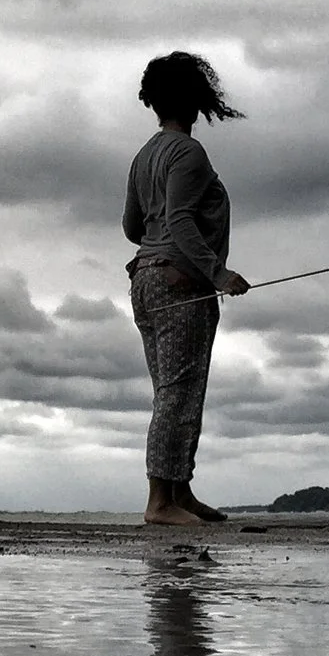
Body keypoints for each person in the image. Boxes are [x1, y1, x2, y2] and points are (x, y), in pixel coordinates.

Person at [123, 52, 249, 527]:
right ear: (196, 102)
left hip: (144, 279)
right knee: (178, 392)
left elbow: (133, 226)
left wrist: (161, 251)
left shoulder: (144, 155)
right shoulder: (188, 153)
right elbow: (177, 218)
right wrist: (217, 273)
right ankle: (160, 503)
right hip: (179, 285)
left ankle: (180, 491)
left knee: (176, 389)